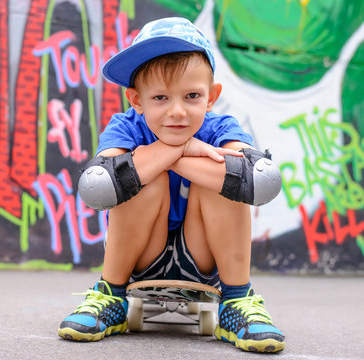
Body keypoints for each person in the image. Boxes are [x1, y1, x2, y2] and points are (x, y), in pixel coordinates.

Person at [57, 17, 285, 353]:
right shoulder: (125, 126)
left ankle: (237, 301)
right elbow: (99, 186)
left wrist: (171, 154)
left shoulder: (221, 126)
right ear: (136, 99)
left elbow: (260, 180)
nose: (177, 112)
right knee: (143, 179)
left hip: (202, 257)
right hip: (140, 256)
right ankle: (110, 295)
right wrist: (179, 148)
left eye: (192, 96)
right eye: (160, 97)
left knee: (222, 176)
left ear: (211, 97)